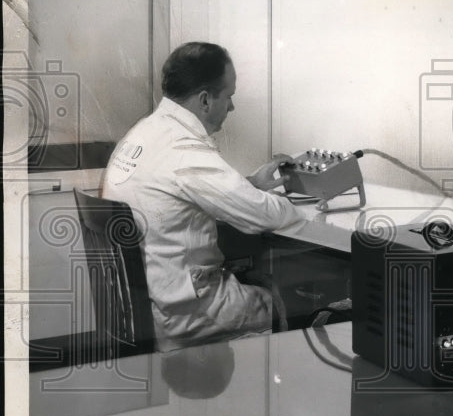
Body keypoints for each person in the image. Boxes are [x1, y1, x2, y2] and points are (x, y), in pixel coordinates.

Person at [102, 42, 303, 351]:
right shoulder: (185, 150)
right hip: (184, 313)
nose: (232, 107)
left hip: (144, 303)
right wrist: (304, 200)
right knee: (280, 302)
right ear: (206, 100)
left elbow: (181, 194)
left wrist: (251, 184)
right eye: (229, 96)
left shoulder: (145, 132)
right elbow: (269, 216)